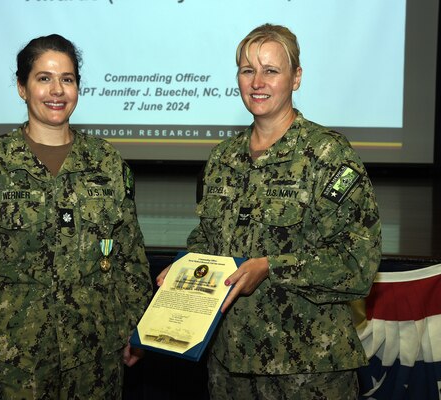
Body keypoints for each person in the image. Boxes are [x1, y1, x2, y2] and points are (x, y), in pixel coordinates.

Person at [158, 23, 381, 399]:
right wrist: (186, 264)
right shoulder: (222, 159)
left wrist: (271, 267)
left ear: (296, 78)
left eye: (271, 71)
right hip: (230, 368)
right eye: (248, 71)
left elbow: (357, 265)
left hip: (309, 371)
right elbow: (208, 239)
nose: (257, 82)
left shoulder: (329, 156)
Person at [0, 34, 152, 399]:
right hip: (13, 359)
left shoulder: (107, 164)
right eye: (44, 78)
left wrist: (138, 328)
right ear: (22, 87)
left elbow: (129, 257)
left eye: (67, 79)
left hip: (95, 355)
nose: (57, 90)